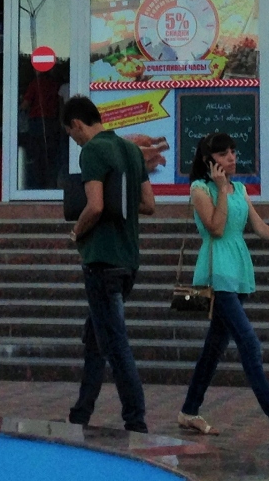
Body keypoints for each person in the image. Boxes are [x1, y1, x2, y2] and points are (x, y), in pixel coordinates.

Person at [177, 132, 269, 442]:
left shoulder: (239, 189)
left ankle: (189, 410)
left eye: (233, 152)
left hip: (237, 271)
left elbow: (259, 227)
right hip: (216, 274)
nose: (231, 158)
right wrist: (220, 189)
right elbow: (216, 228)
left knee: (213, 348)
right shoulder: (200, 189)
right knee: (249, 343)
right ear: (209, 161)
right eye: (223, 154)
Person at [63, 95, 155, 433]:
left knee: (114, 344)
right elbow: (149, 204)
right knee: (96, 337)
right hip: (129, 260)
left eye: (72, 135)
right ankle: (81, 412)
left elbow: (95, 206)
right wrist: (122, 198)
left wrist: (76, 232)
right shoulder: (131, 150)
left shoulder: (92, 151)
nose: (75, 141)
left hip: (101, 259)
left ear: (77, 124)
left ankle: (136, 419)